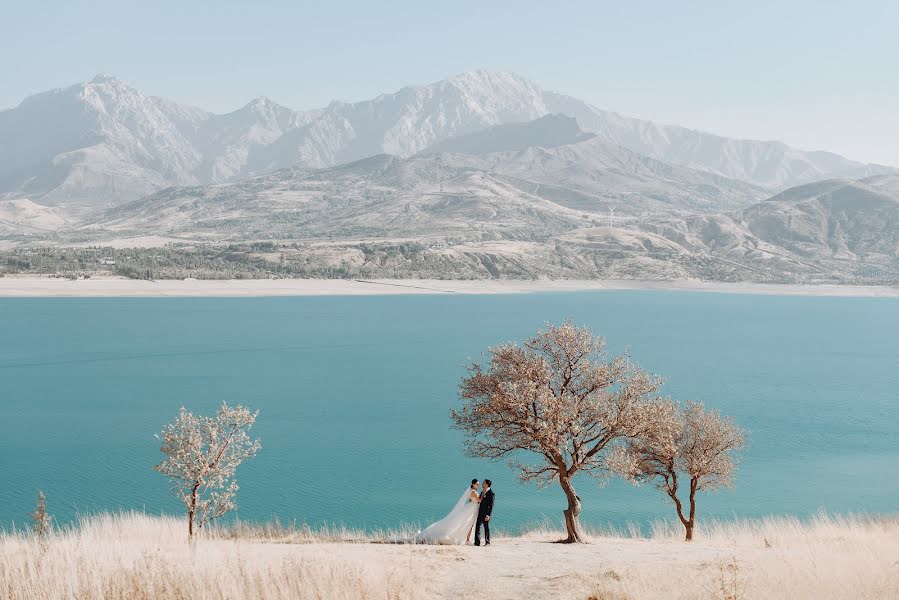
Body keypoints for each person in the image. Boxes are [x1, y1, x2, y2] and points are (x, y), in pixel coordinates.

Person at [412, 478, 481, 545]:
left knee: (468, 524)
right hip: (471, 509)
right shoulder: (473, 492)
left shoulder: (471, 491)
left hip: (472, 508)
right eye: (477, 484)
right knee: (467, 524)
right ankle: (467, 540)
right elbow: (479, 500)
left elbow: (471, 500)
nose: (478, 486)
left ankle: (467, 539)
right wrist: (483, 494)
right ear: (473, 484)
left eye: (478, 484)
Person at [473, 479, 494, 546]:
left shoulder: (491, 494)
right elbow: (479, 500)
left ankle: (487, 542)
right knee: (477, 527)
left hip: (486, 514)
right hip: (480, 512)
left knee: (486, 527)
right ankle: (477, 542)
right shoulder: (482, 492)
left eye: (483, 483)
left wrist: (488, 515)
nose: (482, 484)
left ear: (487, 484)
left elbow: (491, 505)